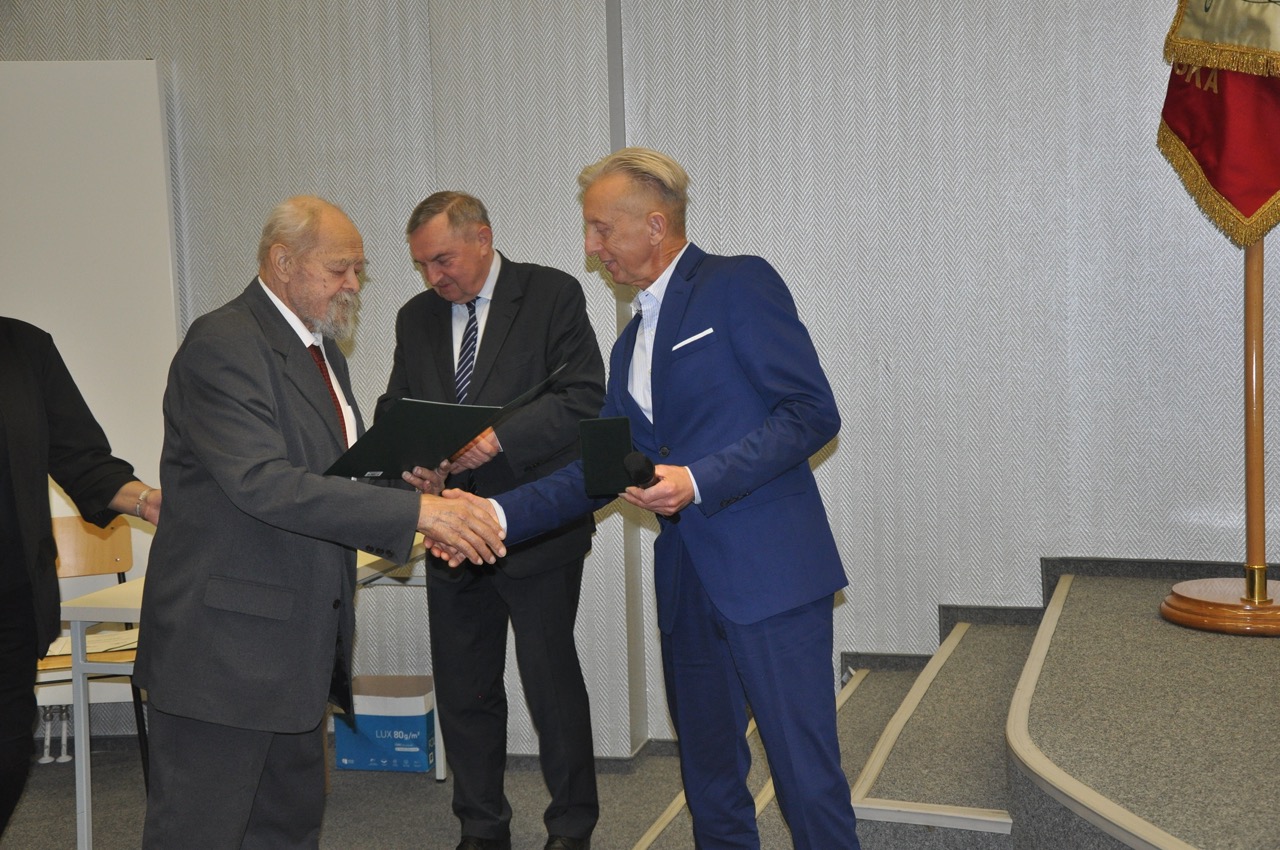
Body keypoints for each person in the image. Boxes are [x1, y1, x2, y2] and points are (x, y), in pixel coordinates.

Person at [455, 148, 861, 849]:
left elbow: (810, 413)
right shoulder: (629, 344)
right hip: (684, 586)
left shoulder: (737, 284)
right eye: (588, 231)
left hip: (770, 576)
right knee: (709, 782)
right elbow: (596, 472)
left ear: (654, 224)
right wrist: (491, 515)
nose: (591, 247)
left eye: (600, 228)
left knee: (806, 779)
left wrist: (698, 479)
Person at [133, 195, 506, 849]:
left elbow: (335, 479)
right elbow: (264, 483)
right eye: (340, 269)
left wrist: (408, 486)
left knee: (287, 831)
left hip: (298, 651)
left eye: (358, 269)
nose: (354, 284)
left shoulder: (321, 352)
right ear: (283, 262)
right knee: (202, 832)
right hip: (225, 659)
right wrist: (419, 513)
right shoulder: (223, 343)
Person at [383, 191, 605, 850]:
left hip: (534, 524)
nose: (433, 277)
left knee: (549, 686)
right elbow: (398, 409)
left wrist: (498, 439)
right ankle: (481, 832)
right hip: (451, 530)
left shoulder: (551, 294)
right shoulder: (415, 318)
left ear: (482, 237)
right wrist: (413, 467)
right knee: (465, 690)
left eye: (443, 260)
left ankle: (572, 831)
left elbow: (584, 396)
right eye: (423, 265)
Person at [0, 316, 161, 836]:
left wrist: (146, 500)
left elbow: (81, 458)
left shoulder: (23, 348)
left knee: (7, 756)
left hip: (10, 600)